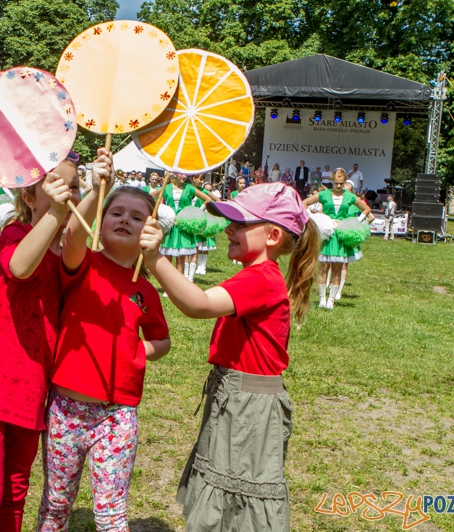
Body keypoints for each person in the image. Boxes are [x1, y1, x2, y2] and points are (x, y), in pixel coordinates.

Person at [0, 148, 113, 532]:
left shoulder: (68, 251)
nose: (66, 192)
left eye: (72, 185)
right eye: (54, 185)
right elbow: (20, 267)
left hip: (30, 391)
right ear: (29, 197)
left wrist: (100, 188)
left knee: (14, 495)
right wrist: (55, 213)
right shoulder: (15, 234)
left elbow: (72, 235)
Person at [138, 182, 321, 532]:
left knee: (239, 501)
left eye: (239, 224)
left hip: (249, 408)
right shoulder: (256, 275)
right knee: (226, 493)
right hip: (237, 400)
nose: (228, 230)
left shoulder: (261, 279)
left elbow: (199, 304)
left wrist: (155, 259)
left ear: (272, 235)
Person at [38, 186, 170, 531]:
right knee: (55, 502)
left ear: (150, 231)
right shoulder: (83, 263)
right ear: (98, 220)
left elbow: (162, 340)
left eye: (137, 217)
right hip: (65, 409)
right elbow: (71, 233)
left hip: (117, 415)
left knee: (111, 512)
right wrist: (98, 189)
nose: (125, 219)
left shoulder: (146, 290)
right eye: (117, 212)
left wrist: (136, 351)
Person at [303, 168, 372, 310]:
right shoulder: (324, 194)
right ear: (332, 181)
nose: (339, 186)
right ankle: (322, 299)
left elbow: (366, 210)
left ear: (344, 182)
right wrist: (313, 218)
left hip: (341, 234)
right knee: (323, 268)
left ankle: (331, 300)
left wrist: (356, 222)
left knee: (337, 269)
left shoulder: (350, 196)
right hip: (326, 233)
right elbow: (304, 203)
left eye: (341, 183)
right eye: (336, 183)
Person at [152, 174, 213, 282]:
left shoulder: (189, 188)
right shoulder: (166, 188)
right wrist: (159, 211)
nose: (184, 176)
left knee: (181, 258)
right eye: (181, 173)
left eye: (185, 174)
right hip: (169, 225)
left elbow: (208, 199)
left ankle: (178, 284)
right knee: (167, 258)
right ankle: (168, 285)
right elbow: (150, 196)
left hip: (183, 226)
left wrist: (196, 212)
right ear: (175, 174)